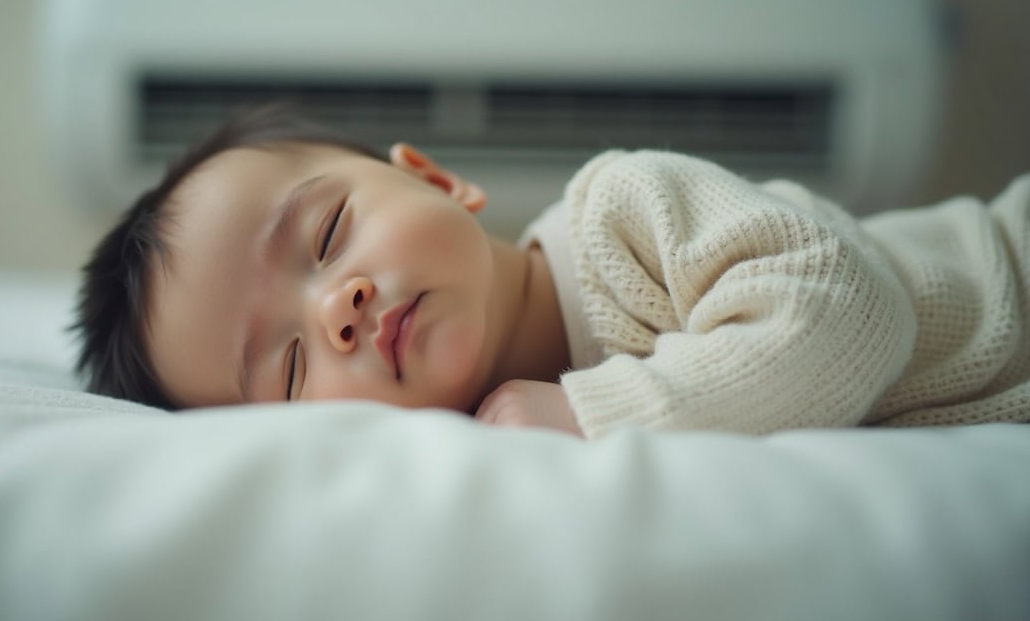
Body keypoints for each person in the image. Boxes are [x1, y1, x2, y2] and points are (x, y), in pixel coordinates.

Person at [73, 104, 1030, 438]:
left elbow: (846, 316)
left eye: (327, 235)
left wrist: (597, 413)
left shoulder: (625, 212)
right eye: (286, 371)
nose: (339, 308)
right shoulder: (494, 447)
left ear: (438, 179)